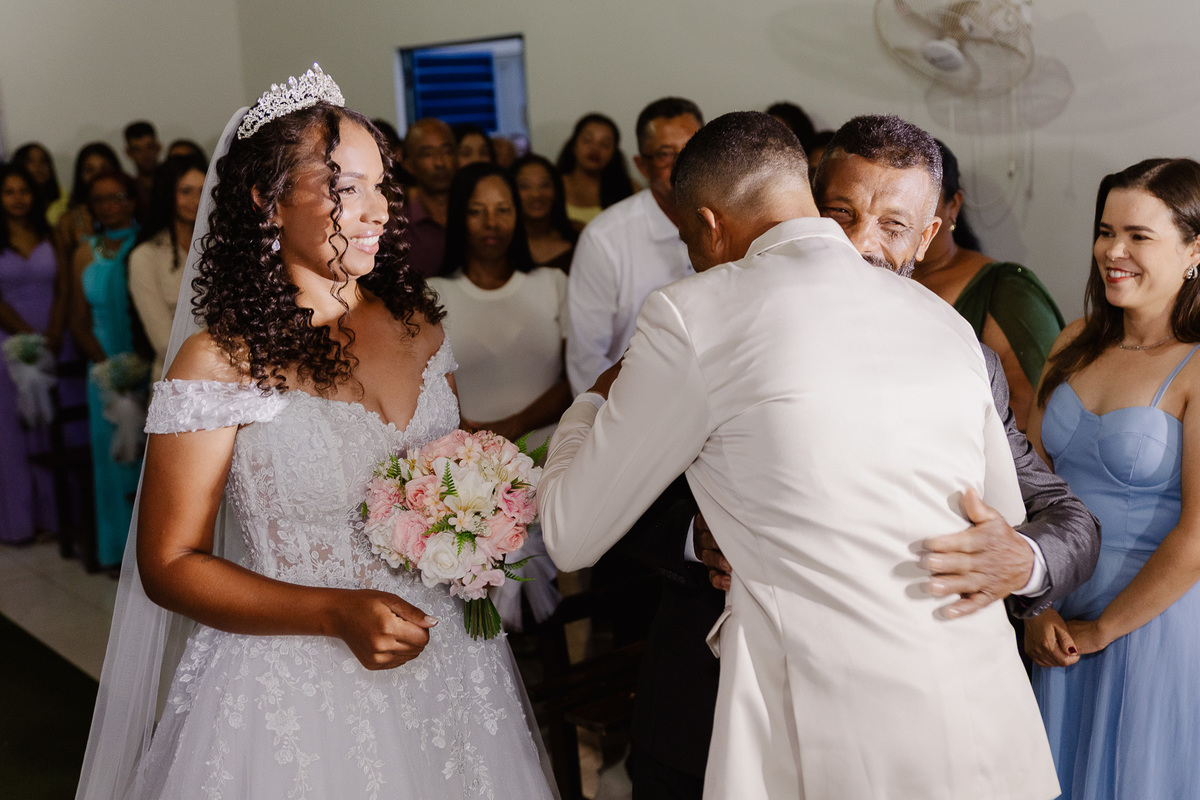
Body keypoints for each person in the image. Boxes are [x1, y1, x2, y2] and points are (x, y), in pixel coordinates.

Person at [539, 111, 1060, 800]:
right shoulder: (943, 322)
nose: (696, 258)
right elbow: (1001, 511)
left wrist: (591, 405)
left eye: (691, 242)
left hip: (834, 733)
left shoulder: (694, 312)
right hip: (982, 724)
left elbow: (570, 534)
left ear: (708, 224)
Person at [75, 65, 557, 800]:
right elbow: (169, 561)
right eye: (343, 188)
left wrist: (481, 521)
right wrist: (332, 610)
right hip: (294, 691)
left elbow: (453, 472)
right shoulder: (219, 360)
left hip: (449, 664)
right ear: (265, 202)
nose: (375, 213)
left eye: (379, 187)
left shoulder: (418, 326)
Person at [1024, 158, 1200, 800]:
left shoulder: (1196, 368)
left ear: (1194, 250)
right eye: (1105, 231)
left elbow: (1198, 535)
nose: (1113, 252)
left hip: (1156, 627)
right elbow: (1032, 489)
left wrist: (1103, 629)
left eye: (1138, 235)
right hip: (1058, 617)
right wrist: (1037, 604)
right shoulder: (1074, 341)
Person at [428, 161, 569, 629]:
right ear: (457, 217)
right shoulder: (432, 294)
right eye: (477, 211)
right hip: (466, 484)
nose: (492, 223)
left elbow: (580, 377)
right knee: (477, 622)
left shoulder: (552, 285)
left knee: (567, 612)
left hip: (558, 468)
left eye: (503, 209)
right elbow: (424, 386)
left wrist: (510, 428)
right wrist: (474, 441)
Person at [914, 140, 1064, 431]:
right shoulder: (858, 277)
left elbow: (1032, 412)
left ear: (953, 204)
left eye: (919, 198)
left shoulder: (1006, 289)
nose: (901, 211)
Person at [565, 98, 702, 394]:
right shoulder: (605, 238)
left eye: (691, 149)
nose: (682, 164)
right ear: (641, 165)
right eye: (666, 154)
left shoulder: (730, 217)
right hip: (634, 409)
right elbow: (586, 360)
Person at [69, 169, 144, 569]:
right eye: (100, 200)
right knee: (112, 458)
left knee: (148, 461)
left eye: (117, 196)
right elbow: (78, 320)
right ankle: (116, 550)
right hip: (102, 367)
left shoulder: (145, 244)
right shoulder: (84, 251)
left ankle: (150, 554)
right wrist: (107, 369)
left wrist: (138, 366)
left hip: (145, 358)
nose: (110, 206)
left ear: (131, 200)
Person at [0, 164, 72, 543]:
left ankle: (60, 517)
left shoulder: (50, 233)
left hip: (56, 339)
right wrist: (28, 336)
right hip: (9, 346)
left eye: (23, 191)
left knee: (56, 427)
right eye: (8, 191)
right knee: (14, 434)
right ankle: (21, 522)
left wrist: (55, 331)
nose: (17, 199)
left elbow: (63, 285)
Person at [128, 152, 208, 378]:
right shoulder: (145, 256)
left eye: (203, 191)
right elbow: (163, 341)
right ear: (167, 194)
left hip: (227, 380)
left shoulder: (218, 247)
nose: (196, 201)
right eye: (186, 191)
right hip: (175, 378)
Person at [400, 117, 457, 278]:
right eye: (427, 154)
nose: (440, 163)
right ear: (409, 165)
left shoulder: (473, 215)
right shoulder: (397, 228)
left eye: (447, 152)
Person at [557, 113, 635, 228]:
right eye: (587, 141)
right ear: (573, 146)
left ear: (614, 153)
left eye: (604, 144)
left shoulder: (629, 188)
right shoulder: (554, 185)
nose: (595, 149)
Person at [54, 142, 121, 272]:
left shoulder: (131, 211)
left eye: (104, 168)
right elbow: (64, 269)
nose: (97, 175)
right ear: (80, 175)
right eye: (89, 170)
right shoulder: (68, 220)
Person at [513, 153, 577, 271]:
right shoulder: (502, 245)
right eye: (524, 186)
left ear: (556, 191)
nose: (536, 194)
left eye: (544, 185)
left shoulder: (577, 240)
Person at [11, 143, 69, 225]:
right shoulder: (12, 200)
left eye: (43, 161)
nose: (38, 166)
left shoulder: (64, 197)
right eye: (30, 161)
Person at [124, 120, 162, 221]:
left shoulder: (173, 183)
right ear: (128, 153)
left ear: (158, 147)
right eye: (137, 149)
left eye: (149, 147)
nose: (145, 155)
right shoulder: (126, 188)